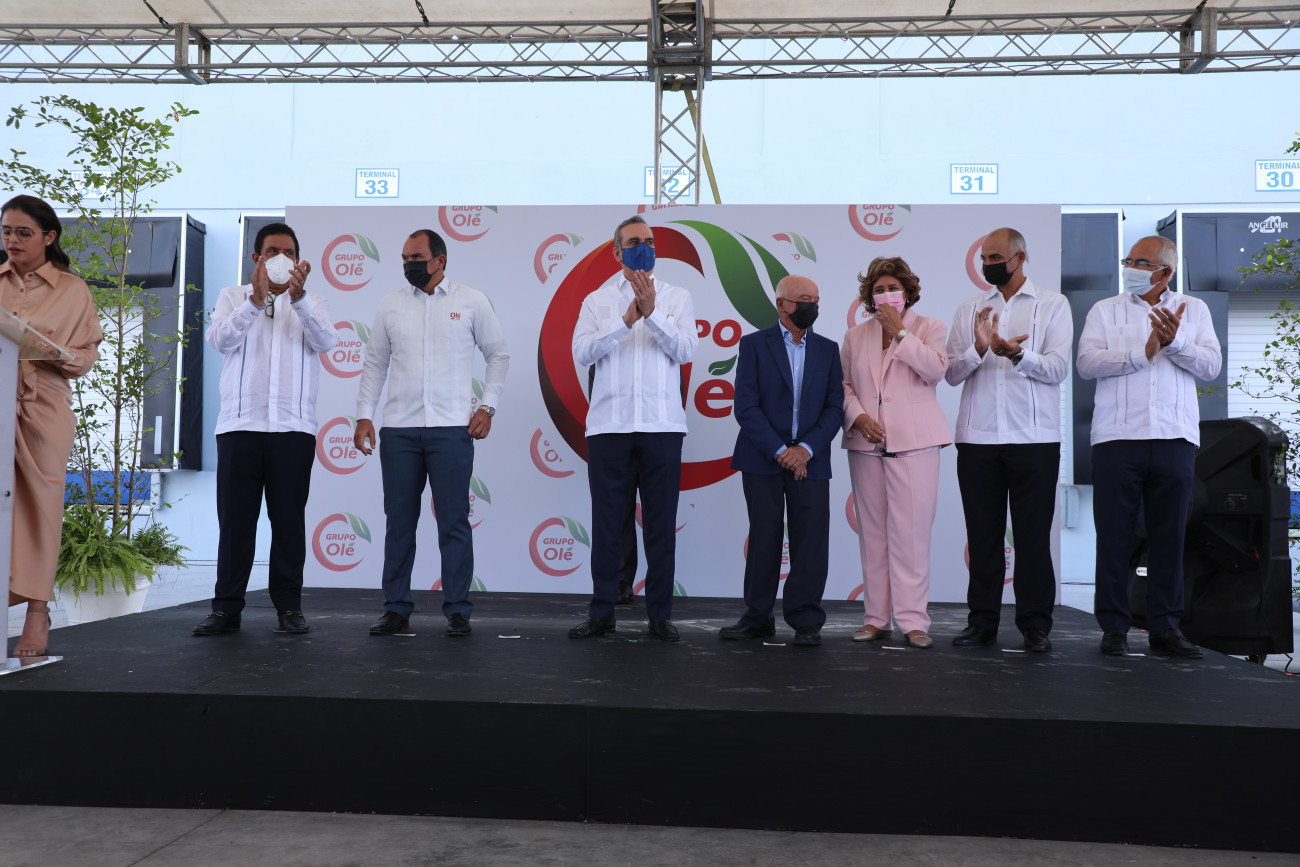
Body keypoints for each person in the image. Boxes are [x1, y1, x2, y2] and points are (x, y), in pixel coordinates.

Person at [354, 229, 509, 637]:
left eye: (417, 257)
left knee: (453, 522)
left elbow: (498, 354)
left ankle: (457, 609)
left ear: (440, 260)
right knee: (399, 523)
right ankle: (396, 608)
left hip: (451, 430)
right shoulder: (390, 305)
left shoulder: (471, 301)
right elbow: (375, 364)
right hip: (399, 431)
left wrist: (487, 407)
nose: (410, 264)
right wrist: (364, 416)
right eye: (405, 258)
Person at [1077, 235, 1221, 659]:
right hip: (1117, 439)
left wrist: (1175, 342)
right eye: (1129, 260)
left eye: (1141, 262)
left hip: (1174, 438)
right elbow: (1086, 363)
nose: (1131, 268)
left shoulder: (1194, 309)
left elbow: (1211, 367)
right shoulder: (1105, 310)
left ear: (1166, 271)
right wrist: (1142, 353)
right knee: (1114, 537)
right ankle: (1114, 627)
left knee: (1169, 537)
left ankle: (1165, 627)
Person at [194, 222, 337, 637]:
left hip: (293, 429)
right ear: (257, 257)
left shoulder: (314, 300)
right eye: (273, 251)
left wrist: (300, 299)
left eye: (289, 252)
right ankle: (226, 609)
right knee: (235, 523)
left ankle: (289, 607)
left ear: (298, 260)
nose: (281, 258)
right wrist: (255, 302)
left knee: (288, 522)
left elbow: (327, 343)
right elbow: (220, 341)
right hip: (240, 426)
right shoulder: (232, 296)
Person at [569, 215, 697, 641]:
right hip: (609, 429)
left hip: (662, 428)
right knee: (607, 525)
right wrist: (625, 320)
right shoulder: (597, 300)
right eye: (634, 241)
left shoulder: (677, 297)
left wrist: (652, 314)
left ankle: (659, 616)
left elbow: (685, 350)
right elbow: (583, 353)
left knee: (660, 526)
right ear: (616, 251)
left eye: (650, 241)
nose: (644, 247)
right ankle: (602, 613)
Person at [944, 227, 1073, 653]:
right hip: (977, 439)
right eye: (984, 259)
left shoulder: (1053, 304)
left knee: (1033, 538)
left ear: (1020, 258)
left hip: (1034, 439)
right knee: (983, 538)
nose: (988, 265)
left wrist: (1016, 354)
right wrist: (980, 349)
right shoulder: (969, 308)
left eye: (996, 258)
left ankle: (1035, 626)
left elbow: (1057, 369)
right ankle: (981, 623)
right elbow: (951, 373)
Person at [1, 195, 102, 657]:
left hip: (43, 404)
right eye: (6, 231)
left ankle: (37, 612)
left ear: (49, 236)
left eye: (24, 232)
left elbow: (85, 356)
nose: (13, 240)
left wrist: (56, 352)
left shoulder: (72, 290)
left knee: (41, 508)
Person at [721, 275, 843, 646]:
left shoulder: (828, 349)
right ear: (781, 304)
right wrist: (781, 451)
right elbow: (746, 407)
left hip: (811, 460)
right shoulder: (754, 345)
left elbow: (834, 408)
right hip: (762, 458)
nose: (812, 306)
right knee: (764, 538)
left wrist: (805, 450)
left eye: (816, 300)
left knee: (811, 541)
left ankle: (806, 620)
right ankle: (757, 617)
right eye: (805, 299)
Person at [841, 257, 951, 649]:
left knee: (912, 535)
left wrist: (900, 333)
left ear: (907, 292)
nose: (886, 295)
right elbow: (844, 385)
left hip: (915, 445)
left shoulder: (930, 328)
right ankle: (876, 619)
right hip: (867, 446)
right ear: (869, 297)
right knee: (873, 536)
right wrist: (857, 417)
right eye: (878, 289)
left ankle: (914, 621)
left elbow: (936, 370)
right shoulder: (855, 336)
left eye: (893, 288)